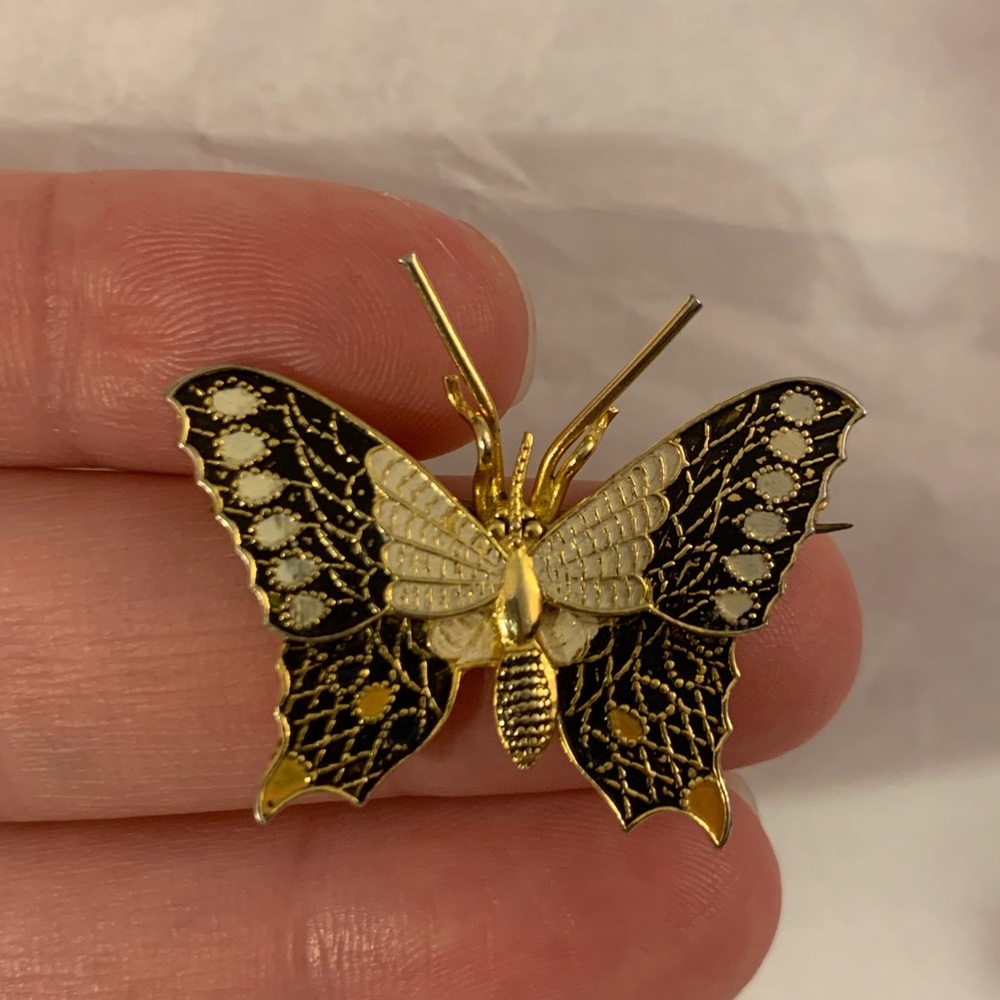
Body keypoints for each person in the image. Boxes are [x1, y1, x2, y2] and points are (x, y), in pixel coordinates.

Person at [0, 170, 862, 999]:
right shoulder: (598, 529)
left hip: (474, 630)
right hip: (589, 639)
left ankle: (645, 772)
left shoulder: (453, 525)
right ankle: (336, 758)